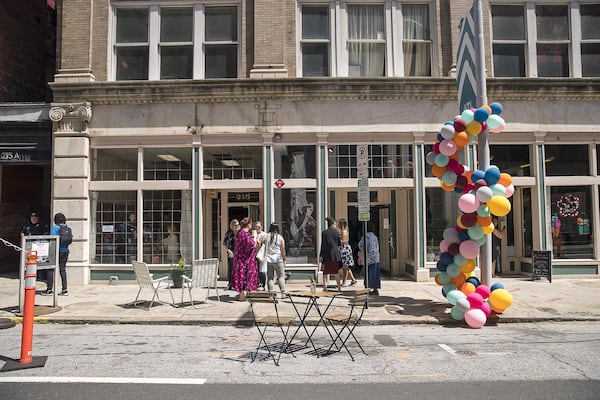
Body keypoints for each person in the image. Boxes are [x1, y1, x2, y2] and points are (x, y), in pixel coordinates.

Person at [232, 217, 258, 301]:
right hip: (245, 261)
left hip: (239, 260)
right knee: (245, 278)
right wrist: (255, 237)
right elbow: (251, 245)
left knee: (241, 278)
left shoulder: (239, 233)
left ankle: (241, 295)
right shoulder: (245, 234)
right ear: (249, 224)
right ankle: (242, 296)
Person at [45, 213, 71, 296]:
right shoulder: (68, 228)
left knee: (50, 269)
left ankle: (49, 289)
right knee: (62, 270)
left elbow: (52, 240)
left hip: (56, 251)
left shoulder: (55, 228)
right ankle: (64, 289)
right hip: (65, 251)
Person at [263, 222, 287, 295]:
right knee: (281, 276)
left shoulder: (266, 236)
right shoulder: (280, 237)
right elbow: (283, 249)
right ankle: (282, 293)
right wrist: (284, 258)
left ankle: (270, 293)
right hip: (278, 259)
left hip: (268, 260)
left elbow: (261, 243)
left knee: (270, 277)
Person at [358, 222, 381, 296]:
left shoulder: (365, 237)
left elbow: (363, 249)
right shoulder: (374, 236)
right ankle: (375, 289)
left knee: (367, 274)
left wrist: (359, 258)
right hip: (376, 258)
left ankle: (367, 288)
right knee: (375, 274)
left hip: (368, 259)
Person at [319, 216, 341, 291]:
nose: (335, 226)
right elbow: (339, 244)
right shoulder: (336, 233)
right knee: (336, 272)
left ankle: (325, 287)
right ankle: (339, 287)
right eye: (334, 224)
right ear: (332, 225)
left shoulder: (324, 233)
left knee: (325, 272)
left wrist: (320, 255)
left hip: (327, 255)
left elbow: (323, 245)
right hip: (335, 254)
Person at [338, 218, 357, 287]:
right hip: (344, 249)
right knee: (346, 267)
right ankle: (353, 279)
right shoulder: (343, 231)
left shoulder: (344, 232)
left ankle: (344, 282)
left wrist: (337, 240)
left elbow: (343, 241)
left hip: (345, 250)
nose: (338, 224)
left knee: (345, 267)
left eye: (339, 223)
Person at [222, 219, 240, 290]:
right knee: (231, 269)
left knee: (238, 269)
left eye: (238, 225)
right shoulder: (229, 233)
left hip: (239, 253)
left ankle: (238, 284)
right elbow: (225, 243)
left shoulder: (240, 233)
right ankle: (230, 284)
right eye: (235, 225)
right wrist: (228, 250)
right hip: (231, 252)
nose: (237, 226)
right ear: (232, 226)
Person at [254, 221, 267, 290]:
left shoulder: (264, 234)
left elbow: (260, 243)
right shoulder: (254, 234)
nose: (257, 228)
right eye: (256, 227)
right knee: (256, 270)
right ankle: (258, 283)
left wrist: (257, 240)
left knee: (262, 270)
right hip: (255, 254)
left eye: (258, 227)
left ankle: (263, 284)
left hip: (262, 255)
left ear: (261, 227)